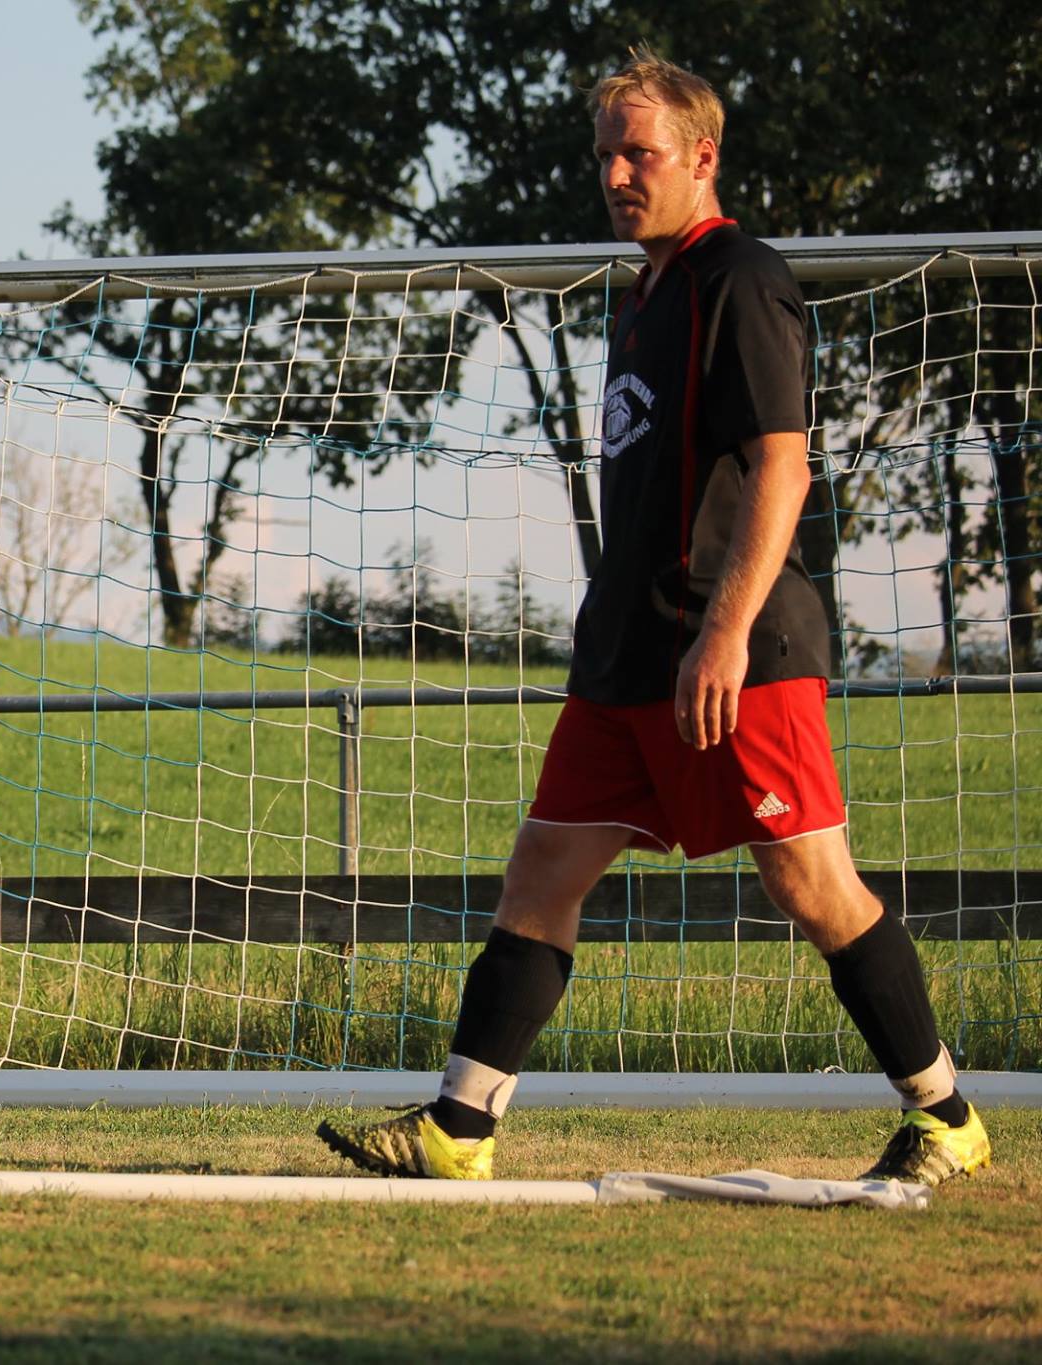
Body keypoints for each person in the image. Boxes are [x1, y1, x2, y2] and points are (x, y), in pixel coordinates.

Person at [317, 47, 991, 1187]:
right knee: (538, 876)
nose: (617, 173)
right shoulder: (643, 299)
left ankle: (946, 1118)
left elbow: (782, 466)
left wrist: (721, 633)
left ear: (700, 158)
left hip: (735, 648)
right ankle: (456, 1129)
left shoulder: (741, 277)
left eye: (640, 153)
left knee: (807, 884)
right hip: (624, 655)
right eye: (604, 156)